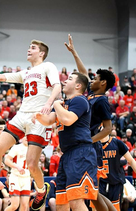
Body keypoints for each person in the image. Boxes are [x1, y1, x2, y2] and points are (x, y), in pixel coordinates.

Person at [0, 39, 61, 210]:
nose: (28, 49)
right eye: (29, 46)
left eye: (32, 48)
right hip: (21, 115)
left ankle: (41, 190)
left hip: (39, 116)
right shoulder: (25, 73)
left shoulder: (48, 66)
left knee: (32, 164)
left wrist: (48, 104)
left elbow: (57, 86)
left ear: (41, 53)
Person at [65, 34, 118, 211]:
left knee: (91, 192)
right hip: (85, 145)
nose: (91, 80)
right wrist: (74, 53)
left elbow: (108, 128)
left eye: (95, 79)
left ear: (103, 83)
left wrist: (91, 140)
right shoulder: (92, 95)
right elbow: (83, 72)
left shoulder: (101, 100)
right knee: (94, 192)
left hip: (89, 147)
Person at [34, 72, 98, 210]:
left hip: (80, 153)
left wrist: (56, 103)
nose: (64, 81)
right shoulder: (64, 104)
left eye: (69, 79)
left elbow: (68, 120)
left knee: (76, 202)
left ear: (78, 85)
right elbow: (48, 120)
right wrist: (37, 116)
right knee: (61, 202)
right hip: (67, 155)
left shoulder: (80, 100)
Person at [99, 133, 136, 211]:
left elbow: (131, 160)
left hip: (115, 182)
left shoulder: (117, 143)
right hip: (100, 182)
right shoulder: (94, 144)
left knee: (115, 208)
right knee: (97, 208)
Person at [4, 137, 31, 211]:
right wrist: (17, 167)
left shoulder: (34, 149)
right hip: (15, 177)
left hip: (26, 178)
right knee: (14, 205)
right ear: (21, 138)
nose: (27, 138)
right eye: (25, 136)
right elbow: (6, 160)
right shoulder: (16, 147)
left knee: (25, 206)